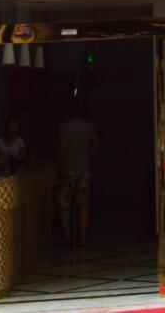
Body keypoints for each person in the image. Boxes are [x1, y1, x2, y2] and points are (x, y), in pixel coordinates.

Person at [57, 105, 98, 246]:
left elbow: (63, 149)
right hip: (83, 169)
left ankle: (68, 236)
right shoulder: (87, 126)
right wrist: (88, 158)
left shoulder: (64, 128)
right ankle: (83, 238)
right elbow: (95, 144)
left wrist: (58, 163)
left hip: (68, 170)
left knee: (64, 203)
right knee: (83, 203)